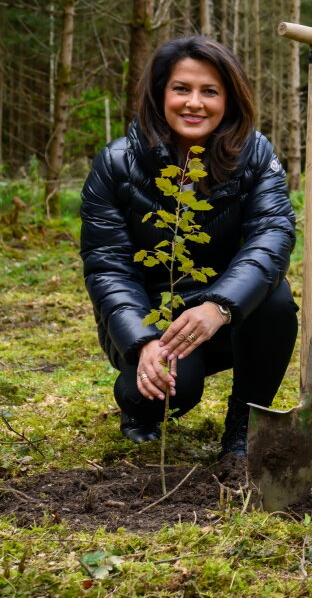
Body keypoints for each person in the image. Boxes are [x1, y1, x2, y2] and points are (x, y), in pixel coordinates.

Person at [80, 36, 298, 458]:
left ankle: (243, 431)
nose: (194, 103)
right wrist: (142, 341)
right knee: (166, 396)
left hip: (223, 311)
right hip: (151, 313)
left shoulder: (255, 155)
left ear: (229, 100)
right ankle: (140, 412)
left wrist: (219, 305)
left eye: (209, 91)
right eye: (182, 89)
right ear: (160, 93)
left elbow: (272, 236)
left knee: (276, 299)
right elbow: (108, 267)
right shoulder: (116, 163)